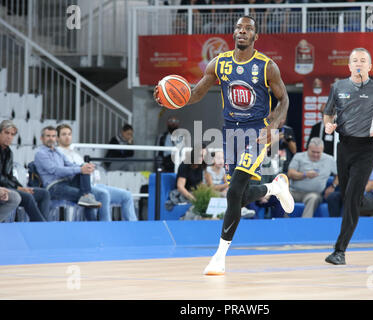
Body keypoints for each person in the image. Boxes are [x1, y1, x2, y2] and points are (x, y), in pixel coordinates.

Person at [154, 15, 294, 275]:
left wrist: (272, 127)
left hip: (256, 133)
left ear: (255, 36)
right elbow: (195, 93)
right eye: (239, 28)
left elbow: (284, 100)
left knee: (233, 192)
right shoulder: (219, 63)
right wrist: (171, 100)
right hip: (230, 133)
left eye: (248, 29)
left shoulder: (267, 66)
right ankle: (273, 188)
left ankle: (219, 256)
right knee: (239, 196)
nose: (242, 32)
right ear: (234, 33)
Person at [323, 48, 373, 265]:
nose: (358, 63)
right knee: (351, 200)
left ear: (369, 66)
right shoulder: (338, 87)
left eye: (363, 60)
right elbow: (328, 112)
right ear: (348, 66)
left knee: (351, 201)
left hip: (366, 148)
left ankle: (340, 251)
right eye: (354, 60)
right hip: (344, 146)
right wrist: (329, 124)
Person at [56, 124, 138, 221]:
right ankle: (105, 228)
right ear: (57, 138)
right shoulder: (57, 154)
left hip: (93, 184)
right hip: (79, 187)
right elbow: (63, 173)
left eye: (69, 134)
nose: (67, 137)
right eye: (64, 134)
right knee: (104, 194)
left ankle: (133, 227)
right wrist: (82, 169)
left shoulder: (75, 154)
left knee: (127, 195)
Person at [34, 126, 102, 221]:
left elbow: (70, 164)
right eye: (48, 136)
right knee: (85, 198)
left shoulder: (57, 151)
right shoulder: (41, 154)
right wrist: (80, 169)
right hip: (54, 187)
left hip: (67, 182)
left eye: (53, 136)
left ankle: (87, 195)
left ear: (56, 138)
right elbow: (55, 170)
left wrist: (86, 167)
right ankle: (93, 223)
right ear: (42, 138)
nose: (51, 138)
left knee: (84, 166)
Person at [0, 120, 49, 222]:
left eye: (12, 134)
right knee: (27, 197)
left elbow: (9, 176)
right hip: (4, 188)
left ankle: (43, 223)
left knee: (44, 194)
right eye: (6, 133)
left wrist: (22, 187)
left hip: (9, 187)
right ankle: (42, 226)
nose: (9, 137)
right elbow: (1, 178)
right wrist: (18, 187)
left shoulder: (9, 152)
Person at [287, 137, 337, 218]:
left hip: (313, 194)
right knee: (282, 197)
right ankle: (284, 223)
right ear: (308, 148)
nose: (315, 155)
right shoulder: (299, 156)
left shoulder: (329, 159)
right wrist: (305, 174)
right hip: (294, 191)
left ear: (322, 150)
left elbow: (339, 175)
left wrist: (333, 186)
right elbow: (290, 174)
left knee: (313, 198)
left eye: (318, 152)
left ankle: (304, 223)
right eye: (313, 152)